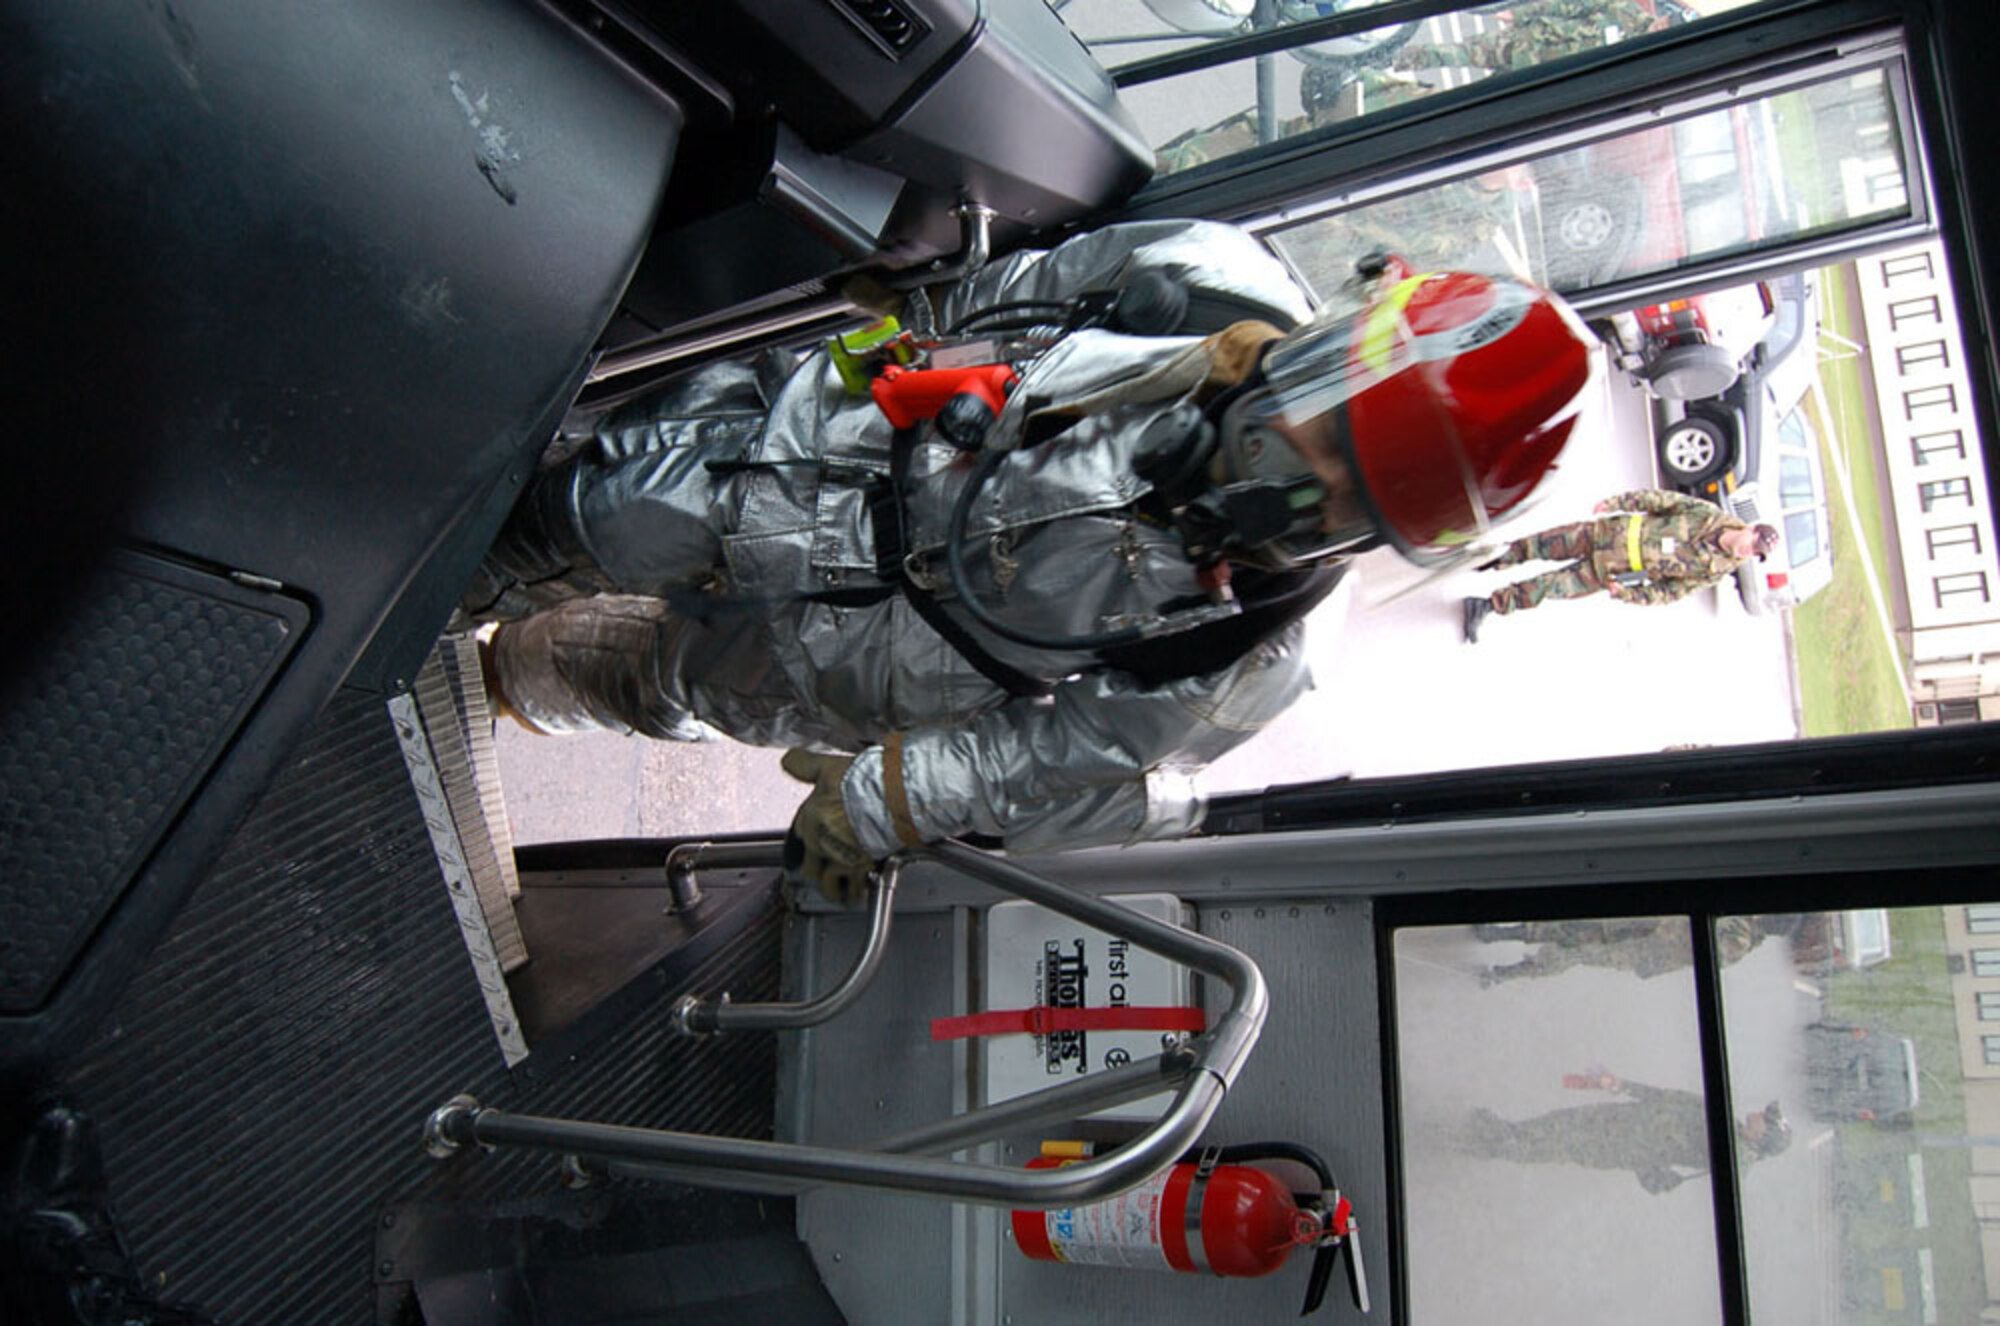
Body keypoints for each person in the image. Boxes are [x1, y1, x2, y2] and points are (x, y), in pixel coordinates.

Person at [466, 221, 1594, 897]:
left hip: (856, 664)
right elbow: (1021, 290)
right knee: (582, 512)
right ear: (1339, 336)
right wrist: (909, 310)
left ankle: (505, 678)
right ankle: (397, 609)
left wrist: (882, 801)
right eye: (1328, 423)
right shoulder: (1205, 279)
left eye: (1347, 504)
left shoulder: (1258, 649)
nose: (1301, 477)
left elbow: (1064, 747)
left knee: (655, 686)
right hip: (804, 458)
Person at [1462, 488, 1779, 642]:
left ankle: (1487, 606)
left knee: (1546, 588)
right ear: (1750, 530)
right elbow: (1659, 500)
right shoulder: (1707, 515)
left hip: (1612, 571)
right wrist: (1616, 503)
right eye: (1754, 543)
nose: (1749, 551)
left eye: (1756, 554)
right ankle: (1490, 559)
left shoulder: (1714, 570)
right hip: (1605, 533)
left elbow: (1668, 592)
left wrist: (1627, 595)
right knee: (1539, 545)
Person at [1460, 1075, 1791, 1194]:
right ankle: (1501, 1133)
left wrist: (1752, 1153)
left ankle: (1489, 1145)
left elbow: (1737, 1175)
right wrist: (1621, 1085)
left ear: (1762, 1139)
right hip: (1618, 1117)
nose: (1760, 1113)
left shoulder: (1736, 1155)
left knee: (1559, 1144)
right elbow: (1665, 1096)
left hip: (1618, 1145)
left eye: (1766, 1119)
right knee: (1554, 1123)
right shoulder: (1725, 1116)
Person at [1475, 915, 1764, 984]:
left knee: (1572, 953)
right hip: (1639, 926)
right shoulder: (1739, 925)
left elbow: (1713, 953)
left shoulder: (1740, 939)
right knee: (1567, 928)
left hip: (1642, 948)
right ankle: (1501, 934)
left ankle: (1503, 974)